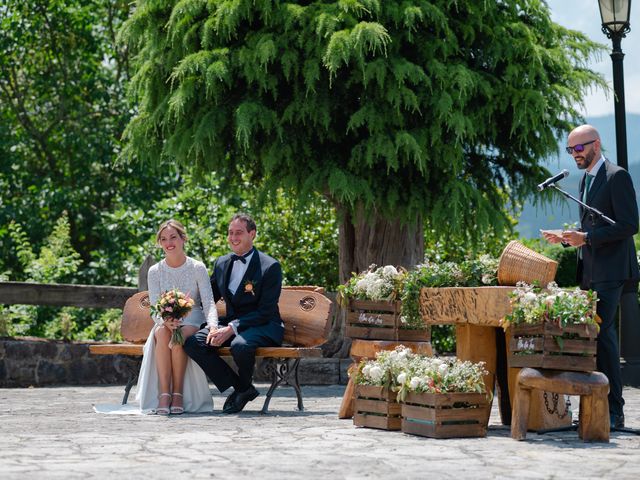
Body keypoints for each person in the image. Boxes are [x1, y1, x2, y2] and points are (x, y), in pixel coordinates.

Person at [543, 124, 639, 429]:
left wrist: (587, 238)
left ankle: (614, 412)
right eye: (570, 150)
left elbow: (628, 225)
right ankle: (595, 405)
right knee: (593, 338)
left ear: (596, 145)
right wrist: (569, 238)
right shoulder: (586, 180)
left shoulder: (617, 176)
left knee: (605, 337)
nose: (575, 155)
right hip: (592, 272)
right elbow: (592, 230)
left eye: (580, 148)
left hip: (612, 272)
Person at [184, 213, 284, 414]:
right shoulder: (221, 263)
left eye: (239, 232)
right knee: (194, 343)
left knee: (240, 345)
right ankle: (243, 388)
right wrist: (179, 305)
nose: (233, 237)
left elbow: (265, 311)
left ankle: (243, 387)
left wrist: (231, 328)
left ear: (252, 234)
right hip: (230, 324)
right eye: (230, 233)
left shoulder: (270, 266)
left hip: (264, 325)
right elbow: (208, 297)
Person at [136, 219, 218, 414]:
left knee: (178, 335)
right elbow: (155, 307)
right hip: (165, 320)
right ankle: (164, 394)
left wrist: (213, 326)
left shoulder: (197, 267)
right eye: (163, 239)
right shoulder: (155, 271)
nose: (168, 242)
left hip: (193, 318)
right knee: (163, 333)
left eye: (173, 237)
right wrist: (165, 320)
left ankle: (178, 393)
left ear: (183, 239)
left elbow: (208, 302)